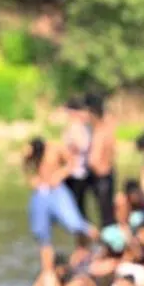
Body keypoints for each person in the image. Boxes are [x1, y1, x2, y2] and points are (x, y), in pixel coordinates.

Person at [23, 137, 96, 271]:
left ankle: (96, 248)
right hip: (40, 192)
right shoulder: (29, 152)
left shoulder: (54, 148)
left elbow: (72, 163)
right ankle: (47, 270)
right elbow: (25, 168)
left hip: (57, 191)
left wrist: (60, 175)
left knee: (75, 224)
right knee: (41, 233)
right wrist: (31, 179)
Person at [62, 97, 94, 250]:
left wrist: (69, 150)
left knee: (78, 212)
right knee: (75, 211)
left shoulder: (78, 128)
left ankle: (84, 245)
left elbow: (82, 146)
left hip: (77, 174)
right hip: (74, 173)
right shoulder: (78, 127)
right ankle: (81, 245)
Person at [84, 93, 118, 229]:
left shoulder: (99, 133)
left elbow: (93, 160)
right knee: (108, 214)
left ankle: (108, 244)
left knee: (105, 216)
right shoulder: (108, 129)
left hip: (100, 177)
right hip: (109, 174)